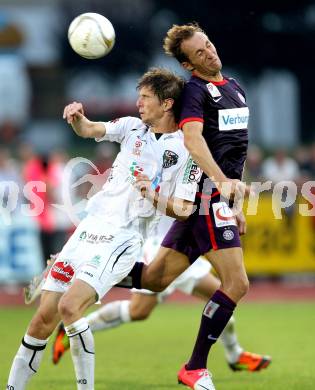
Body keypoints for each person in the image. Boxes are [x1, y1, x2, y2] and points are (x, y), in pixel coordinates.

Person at [6, 68, 199, 390]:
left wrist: (151, 195)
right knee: (42, 318)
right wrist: (76, 118)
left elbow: (183, 209)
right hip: (89, 228)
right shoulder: (131, 128)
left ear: (167, 104)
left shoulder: (187, 150)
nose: (138, 103)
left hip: (124, 236)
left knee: (70, 306)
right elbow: (90, 129)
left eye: (145, 98)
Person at [120, 23, 252, 390]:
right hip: (204, 195)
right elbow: (193, 140)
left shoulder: (237, 88)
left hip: (215, 199)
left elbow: (236, 150)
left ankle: (85, 271)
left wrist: (235, 199)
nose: (209, 52)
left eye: (208, 45)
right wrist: (222, 185)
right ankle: (195, 367)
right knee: (236, 282)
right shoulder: (195, 92)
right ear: (188, 64)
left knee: (153, 279)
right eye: (199, 53)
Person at [52, 214, 271, 372]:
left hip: (185, 250)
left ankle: (235, 355)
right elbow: (177, 206)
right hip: (161, 250)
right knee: (138, 311)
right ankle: (70, 328)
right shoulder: (172, 164)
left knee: (225, 296)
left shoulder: (196, 166)